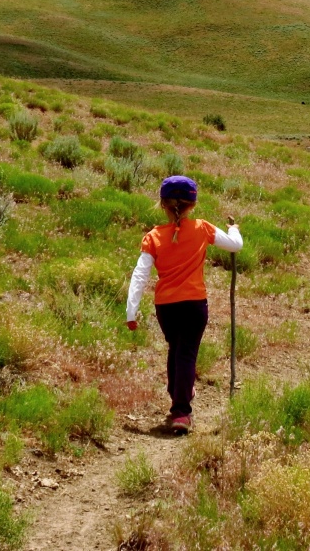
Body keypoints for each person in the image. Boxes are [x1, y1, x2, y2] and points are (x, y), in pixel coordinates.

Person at [125, 175, 242, 434]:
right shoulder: (202, 228)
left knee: (176, 348)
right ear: (192, 204)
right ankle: (181, 411)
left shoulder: (153, 236)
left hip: (166, 307)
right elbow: (236, 246)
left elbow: (140, 274)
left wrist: (131, 310)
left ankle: (178, 394)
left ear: (163, 205)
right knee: (186, 352)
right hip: (194, 304)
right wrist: (234, 230)